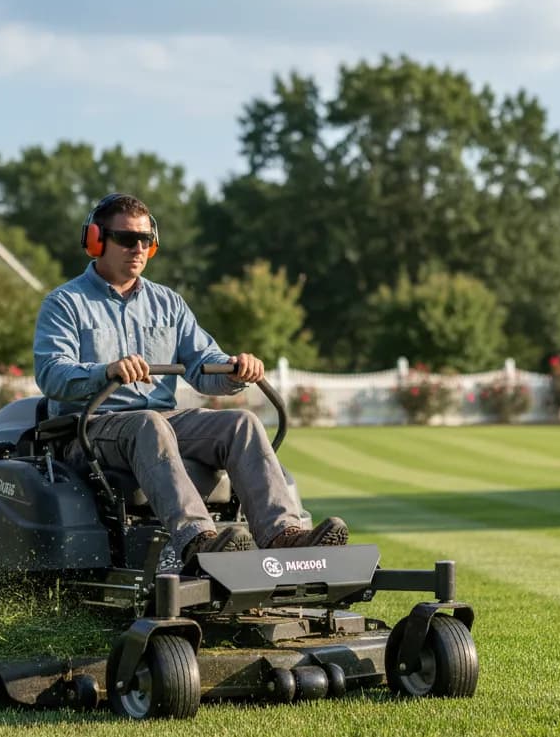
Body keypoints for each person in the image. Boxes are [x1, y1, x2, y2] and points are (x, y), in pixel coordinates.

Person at [33, 192, 347, 566]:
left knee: (241, 424)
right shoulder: (65, 303)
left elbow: (203, 364)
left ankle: (283, 535)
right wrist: (106, 371)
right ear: (96, 241)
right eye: (126, 239)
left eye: (145, 240)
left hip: (159, 423)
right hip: (91, 429)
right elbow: (52, 374)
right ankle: (197, 541)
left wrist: (234, 369)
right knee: (148, 424)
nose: (137, 248)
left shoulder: (169, 303)